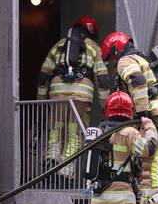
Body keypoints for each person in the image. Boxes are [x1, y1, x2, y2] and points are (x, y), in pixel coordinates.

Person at [37, 16, 110, 171]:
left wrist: (41, 99)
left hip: (57, 94)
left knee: (56, 127)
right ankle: (67, 167)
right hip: (80, 95)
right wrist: (105, 106)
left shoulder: (59, 45)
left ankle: (52, 156)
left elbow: (43, 75)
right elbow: (102, 79)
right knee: (75, 130)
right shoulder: (94, 47)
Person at [100, 31, 158, 136]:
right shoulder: (142, 59)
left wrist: (142, 114)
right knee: (155, 149)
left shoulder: (124, 61)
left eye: (111, 58)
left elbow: (137, 80)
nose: (112, 62)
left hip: (156, 112)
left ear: (116, 50)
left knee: (143, 148)